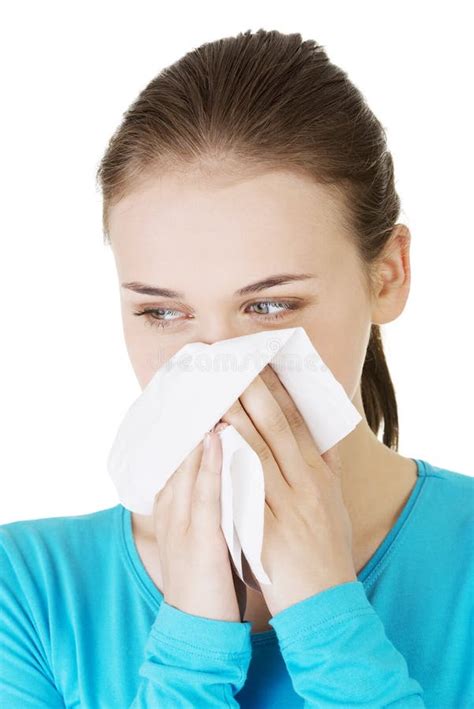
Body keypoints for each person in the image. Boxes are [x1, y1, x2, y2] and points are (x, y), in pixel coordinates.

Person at [1, 28, 473, 708]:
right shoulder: (27, 592)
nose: (218, 367)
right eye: (163, 313)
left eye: (270, 305)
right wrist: (190, 640)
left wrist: (328, 622)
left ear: (388, 275)